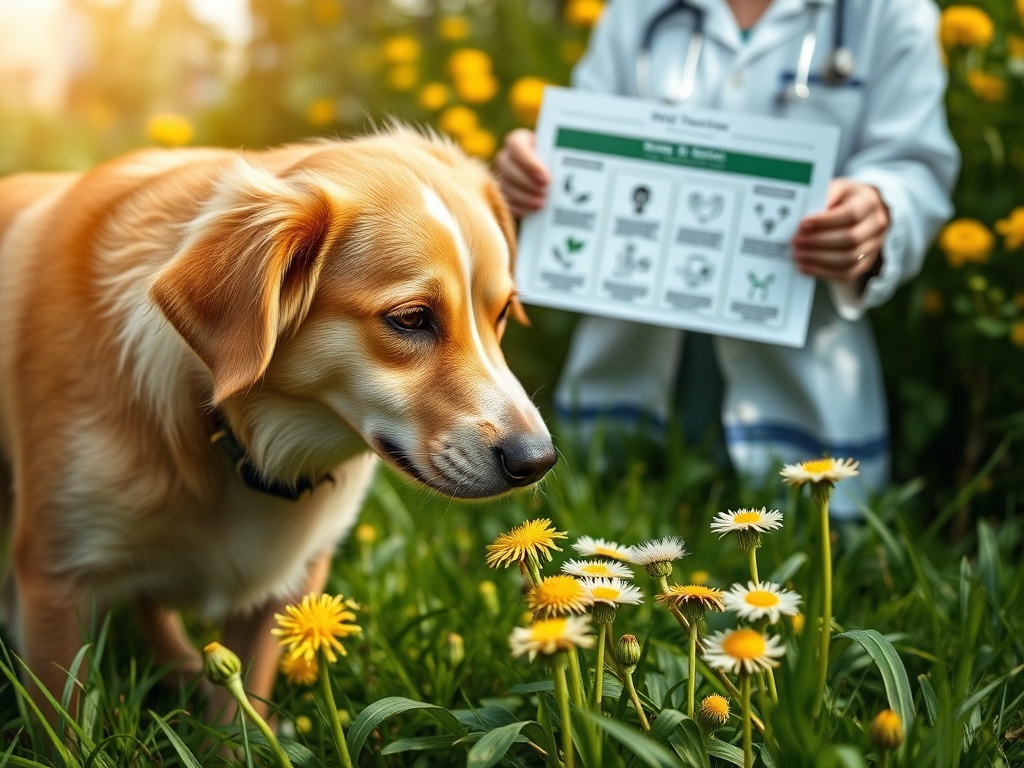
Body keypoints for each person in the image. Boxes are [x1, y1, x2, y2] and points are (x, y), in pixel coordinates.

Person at [496, 0, 960, 517]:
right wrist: (534, 166)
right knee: (607, 529)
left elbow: (916, 166)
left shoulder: (889, 13)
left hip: (805, 385)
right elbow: (581, 141)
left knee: (813, 558)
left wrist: (880, 207)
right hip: (630, 363)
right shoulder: (635, 11)